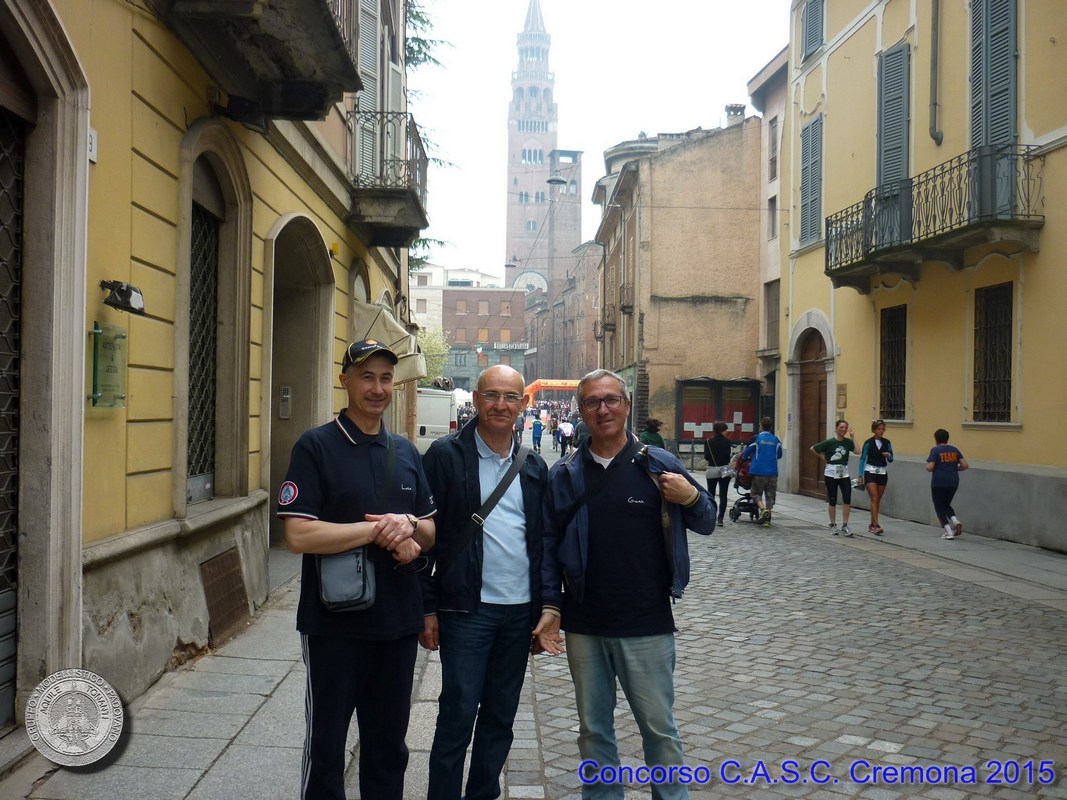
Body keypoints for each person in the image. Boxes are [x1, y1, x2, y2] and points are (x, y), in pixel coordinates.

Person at [534, 369, 716, 800]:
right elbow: (547, 545)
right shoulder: (565, 473)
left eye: (611, 400)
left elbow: (707, 519)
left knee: (659, 729)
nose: (603, 410)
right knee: (593, 730)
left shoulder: (658, 464)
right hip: (585, 623)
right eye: (592, 402)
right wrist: (552, 606)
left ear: (627, 405)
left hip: (646, 621)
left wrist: (690, 496)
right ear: (581, 412)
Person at [277, 339, 437, 800]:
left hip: (397, 623)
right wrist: (375, 531)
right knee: (326, 746)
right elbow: (298, 535)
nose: (377, 388)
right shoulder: (316, 446)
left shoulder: (404, 451)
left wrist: (409, 527)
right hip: (334, 625)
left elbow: (431, 529)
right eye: (367, 377)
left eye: (386, 378)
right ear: (344, 380)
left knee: (389, 747)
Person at [420, 365, 549, 800]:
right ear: (475, 400)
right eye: (491, 395)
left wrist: (547, 607)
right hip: (465, 610)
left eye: (510, 397)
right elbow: (424, 539)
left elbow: (542, 541)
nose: (500, 404)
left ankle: (482, 793)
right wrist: (427, 607)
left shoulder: (533, 465)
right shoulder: (445, 456)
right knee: (457, 712)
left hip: (519, 612)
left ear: (523, 404)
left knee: (500, 715)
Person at [810, 420, 859, 537]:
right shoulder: (830, 442)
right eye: (841, 427)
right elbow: (813, 448)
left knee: (847, 499)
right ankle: (833, 524)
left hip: (844, 473)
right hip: (831, 473)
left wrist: (853, 437)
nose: (843, 429)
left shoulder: (848, 442)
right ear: (836, 428)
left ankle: (845, 525)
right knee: (833, 499)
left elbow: (858, 451)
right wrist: (823, 457)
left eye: (845, 427)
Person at [926, 428, 969, 539]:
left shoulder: (935, 450)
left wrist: (928, 467)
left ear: (936, 439)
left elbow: (930, 467)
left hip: (939, 482)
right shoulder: (955, 450)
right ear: (947, 438)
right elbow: (965, 465)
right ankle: (955, 521)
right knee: (946, 504)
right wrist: (955, 469)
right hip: (953, 481)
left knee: (939, 506)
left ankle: (948, 531)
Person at [742, 417, 783, 527]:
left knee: (755, 493)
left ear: (761, 426)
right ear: (771, 427)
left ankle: (762, 509)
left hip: (758, 471)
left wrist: (746, 458)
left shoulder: (757, 439)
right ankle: (767, 519)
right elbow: (779, 455)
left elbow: (746, 452)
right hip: (772, 472)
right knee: (770, 495)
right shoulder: (776, 440)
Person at [857, 420, 894, 535]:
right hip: (870, 471)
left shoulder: (887, 442)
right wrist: (860, 475)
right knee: (874, 497)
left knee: (877, 500)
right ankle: (876, 525)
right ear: (874, 430)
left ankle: (872, 524)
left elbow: (891, 459)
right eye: (879, 429)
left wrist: (889, 456)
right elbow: (862, 459)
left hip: (882, 472)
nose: (881, 431)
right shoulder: (868, 443)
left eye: (883, 429)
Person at [703, 421, 733, 526]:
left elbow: (706, 457)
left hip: (712, 469)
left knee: (711, 494)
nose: (726, 432)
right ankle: (720, 519)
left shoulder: (708, 441)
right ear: (721, 431)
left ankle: (712, 516)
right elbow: (728, 457)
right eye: (725, 430)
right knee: (723, 495)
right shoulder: (727, 442)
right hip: (724, 469)